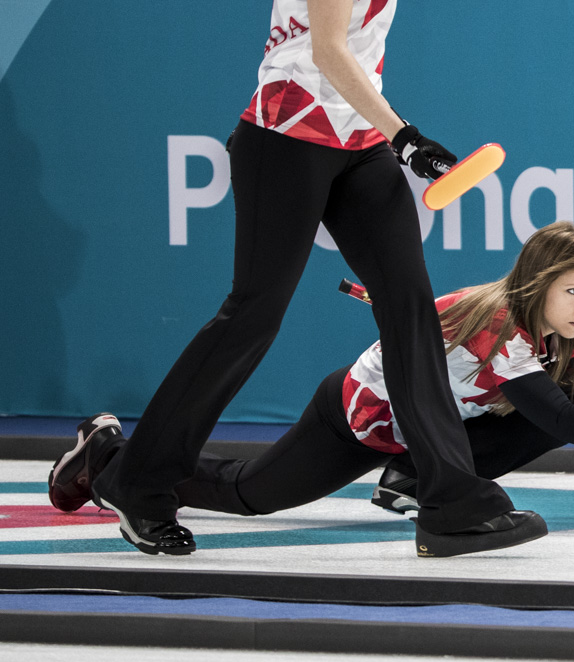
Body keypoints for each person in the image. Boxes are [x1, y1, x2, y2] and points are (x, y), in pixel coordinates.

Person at [78, 0, 539, 557]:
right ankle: (136, 481)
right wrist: (407, 138)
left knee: (411, 311)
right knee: (252, 315)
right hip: (286, 139)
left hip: (360, 147)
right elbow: (327, 49)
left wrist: (387, 135)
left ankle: (452, 507)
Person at [48, 222, 574, 554]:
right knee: (248, 495)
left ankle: (412, 476)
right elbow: (566, 415)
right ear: (536, 285)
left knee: (562, 401)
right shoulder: (501, 327)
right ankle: (106, 458)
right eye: (571, 290)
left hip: (422, 429)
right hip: (357, 418)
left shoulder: (542, 330)